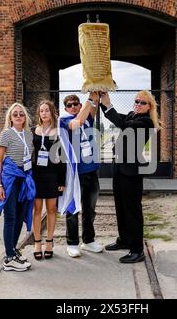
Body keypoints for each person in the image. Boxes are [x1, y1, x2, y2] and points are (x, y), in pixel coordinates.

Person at [100, 91, 160, 263]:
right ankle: (125, 240)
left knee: (132, 210)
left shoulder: (146, 122)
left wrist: (109, 105)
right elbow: (116, 116)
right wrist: (105, 102)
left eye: (142, 102)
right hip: (120, 168)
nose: (138, 104)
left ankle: (137, 249)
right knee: (120, 205)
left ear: (149, 107)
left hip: (132, 173)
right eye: (136, 101)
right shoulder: (133, 116)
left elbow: (123, 125)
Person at [0, 103, 35, 272]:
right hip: (10, 178)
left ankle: (13, 250)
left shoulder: (28, 134)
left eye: (21, 114)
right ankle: (8, 258)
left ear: (25, 117)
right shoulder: (6, 134)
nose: (18, 116)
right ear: (10, 118)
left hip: (24, 177)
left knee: (20, 216)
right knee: (11, 216)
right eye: (15, 114)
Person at [60, 93, 104, 258]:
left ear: (80, 105)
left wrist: (97, 92)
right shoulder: (65, 119)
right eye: (70, 105)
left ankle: (88, 240)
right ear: (66, 108)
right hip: (75, 173)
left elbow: (94, 107)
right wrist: (90, 99)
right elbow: (76, 124)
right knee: (73, 209)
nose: (73, 107)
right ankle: (72, 243)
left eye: (75, 104)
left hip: (91, 170)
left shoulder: (88, 117)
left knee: (89, 208)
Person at [31, 100, 66, 260]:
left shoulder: (59, 132)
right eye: (41, 111)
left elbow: (63, 157)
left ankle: (49, 242)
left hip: (52, 174)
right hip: (36, 174)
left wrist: (62, 181)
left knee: (51, 209)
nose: (44, 113)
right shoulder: (33, 131)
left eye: (47, 110)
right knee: (37, 210)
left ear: (52, 112)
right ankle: (37, 242)